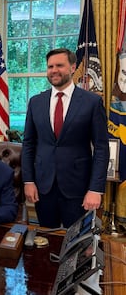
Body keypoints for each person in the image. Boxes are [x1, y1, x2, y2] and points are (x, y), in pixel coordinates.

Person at [21, 48, 109, 228]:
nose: (54, 70)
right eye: (50, 66)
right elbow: (29, 144)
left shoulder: (91, 102)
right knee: (45, 240)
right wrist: (28, 181)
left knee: (77, 244)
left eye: (59, 65)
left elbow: (101, 148)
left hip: (78, 187)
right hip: (43, 187)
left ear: (73, 67)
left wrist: (95, 189)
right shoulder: (36, 102)